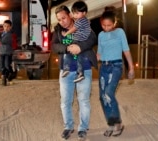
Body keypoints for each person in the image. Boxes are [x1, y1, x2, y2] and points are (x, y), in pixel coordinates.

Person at [51, 5, 98, 140]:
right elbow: (54, 46)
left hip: (84, 68)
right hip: (66, 71)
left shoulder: (83, 24)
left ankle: (83, 128)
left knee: (83, 100)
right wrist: (66, 48)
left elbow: (92, 38)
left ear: (70, 15)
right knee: (65, 101)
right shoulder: (58, 30)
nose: (62, 21)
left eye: (64, 18)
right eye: (59, 19)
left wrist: (79, 47)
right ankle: (68, 127)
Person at [97, 6, 135, 137]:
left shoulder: (119, 32)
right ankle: (111, 124)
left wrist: (131, 68)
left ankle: (117, 123)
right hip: (104, 67)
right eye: (103, 25)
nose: (106, 28)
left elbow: (126, 50)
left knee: (108, 93)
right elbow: (99, 53)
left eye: (109, 25)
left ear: (114, 23)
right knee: (102, 97)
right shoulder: (101, 35)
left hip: (116, 66)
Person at [61, 1, 91, 83]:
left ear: (84, 13)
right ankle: (80, 73)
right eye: (74, 13)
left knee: (67, 50)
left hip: (78, 40)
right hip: (83, 41)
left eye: (77, 13)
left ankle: (66, 68)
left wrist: (65, 34)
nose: (75, 15)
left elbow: (74, 28)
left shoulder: (80, 21)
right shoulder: (85, 20)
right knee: (79, 56)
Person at [0, 20, 15, 86]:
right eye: (5, 26)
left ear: (10, 27)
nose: (6, 28)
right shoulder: (2, 33)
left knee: (7, 65)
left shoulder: (9, 35)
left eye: (8, 26)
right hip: (2, 52)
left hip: (8, 52)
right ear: (3, 26)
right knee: (2, 66)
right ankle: (4, 78)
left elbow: (2, 41)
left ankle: (11, 74)